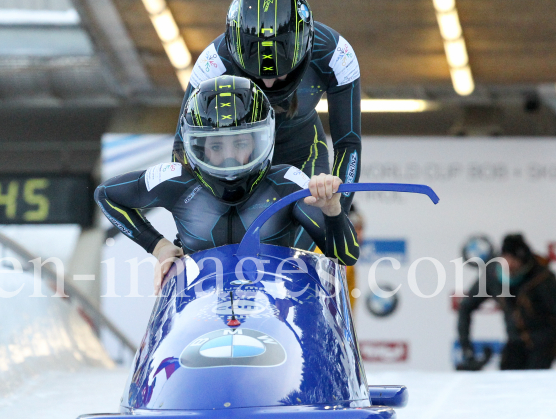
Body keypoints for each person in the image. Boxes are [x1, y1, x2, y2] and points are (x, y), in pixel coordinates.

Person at [97, 75, 359, 294]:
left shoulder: (286, 182)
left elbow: (345, 256)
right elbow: (106, 195)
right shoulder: (177, 181)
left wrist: (332, 211)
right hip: (199, 315)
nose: (229, 158)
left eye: (240, 143)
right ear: (197, 146)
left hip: (274, 312)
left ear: (260, 141)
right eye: (216, 146)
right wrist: (159, 246)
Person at [172, 0, 362, 253]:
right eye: (257, 76)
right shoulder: (214, 62)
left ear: (304, 51)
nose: (270, 84)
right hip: (238, 164)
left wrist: (336, 213)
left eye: (279, 73)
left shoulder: (335, 54)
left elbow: (348, 144)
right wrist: (186, 229)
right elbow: (184, 147)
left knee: (293, 250)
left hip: (302, 157)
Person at [457, 233, 556, 371]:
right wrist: (467, 349)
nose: (510, 265)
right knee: (507, 379)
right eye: (506, 259)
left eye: (514, 261)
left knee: (534, 380)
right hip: (515, 340)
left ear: (524, 262)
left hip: (545, 340)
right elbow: (466, 307)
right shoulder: (492, 275)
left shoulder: (542, 278)